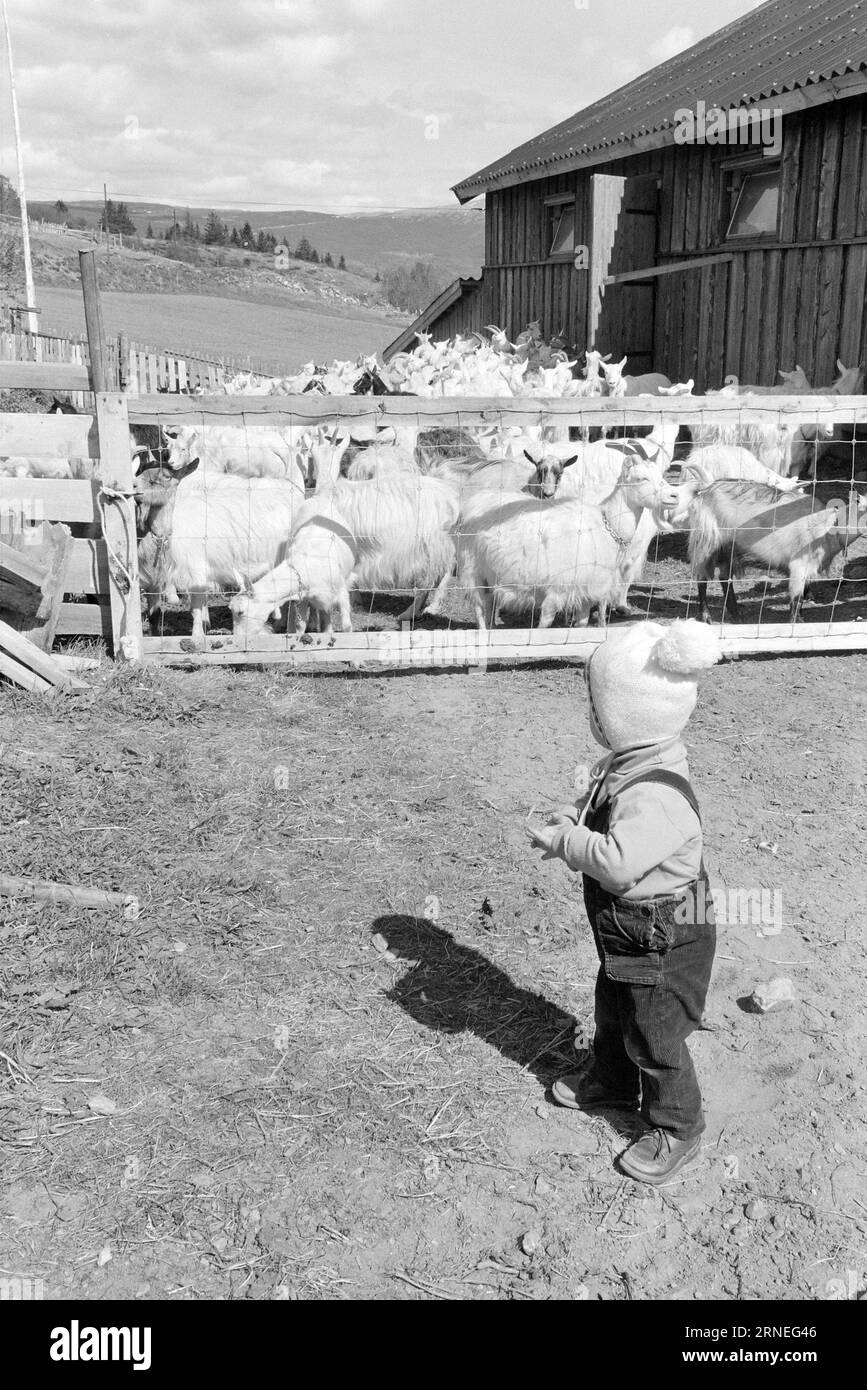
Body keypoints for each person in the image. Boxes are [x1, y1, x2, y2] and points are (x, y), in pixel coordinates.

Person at [527, 619, 722, 1185]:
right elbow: (594, 802)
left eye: (595, 704)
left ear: (620, 714)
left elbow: (615, 861)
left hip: (662, 934)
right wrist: (572, 817)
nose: (590, 714)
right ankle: (612, 1079)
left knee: (656, 1032)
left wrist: (568, 842)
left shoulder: (658, 794)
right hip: (630, 933)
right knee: (614, 1007)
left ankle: (678, 1125)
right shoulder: (628, 761)